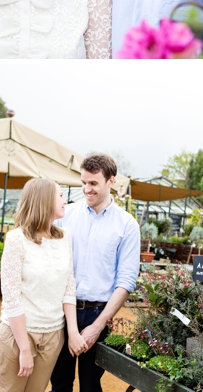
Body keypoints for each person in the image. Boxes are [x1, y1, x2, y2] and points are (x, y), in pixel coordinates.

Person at [50, 153, 140, 392]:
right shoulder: (64, 216)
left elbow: (126, 281)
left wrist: (98, 326)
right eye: (83, 182)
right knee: (59, 383)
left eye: (93, 183)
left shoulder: (127, 225)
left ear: (111, 182)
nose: (86, 189)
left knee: (90, 385)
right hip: (61, 312)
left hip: (98, 313)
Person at [0, 179, 86, 392]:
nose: (65, 201)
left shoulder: (65, 237)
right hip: (19, 335)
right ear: (44, 200)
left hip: (54, 336)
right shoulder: (16, 239)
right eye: (61, 195)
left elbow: (68, 287)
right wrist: (24, 349)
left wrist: (72, 332)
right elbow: (11, 298)